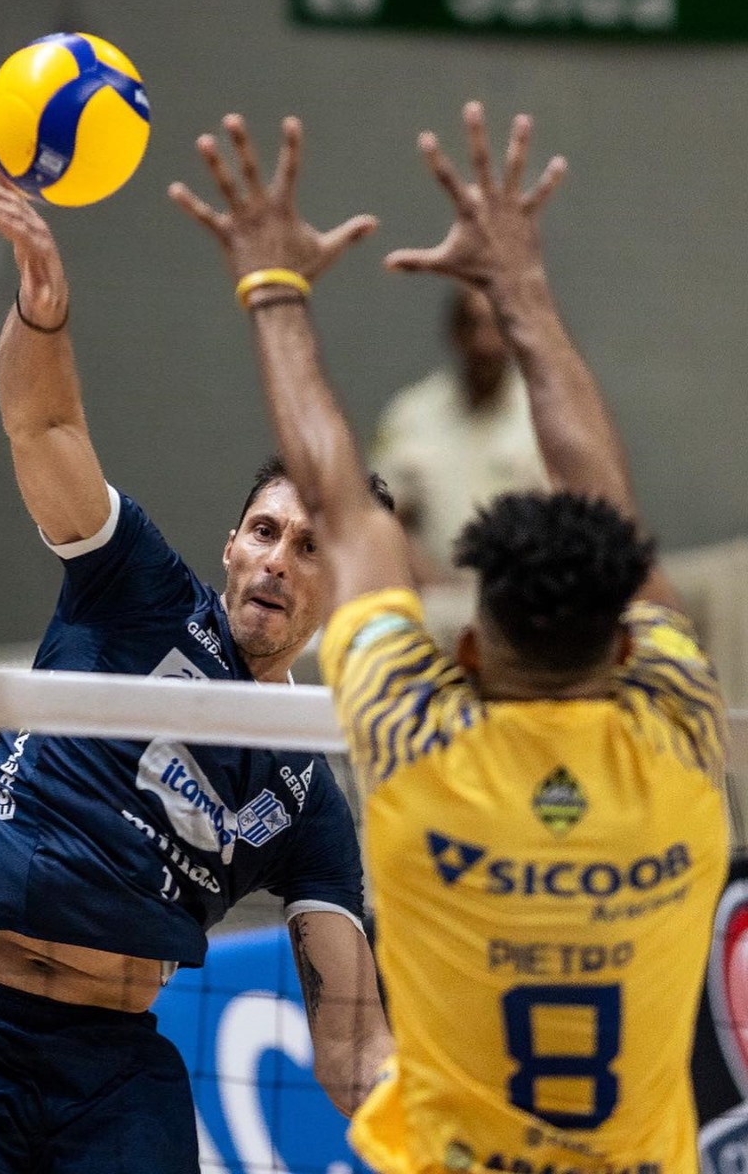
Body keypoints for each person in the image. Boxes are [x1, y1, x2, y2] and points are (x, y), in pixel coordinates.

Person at [172, 105, 728, 1173]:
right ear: (626, 648)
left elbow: (341, 502)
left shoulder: (411, 740)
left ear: (467, 650)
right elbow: (607, 504)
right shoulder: (679, 728)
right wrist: (520, 290)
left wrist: (271, 286)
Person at [0, 167, 393, 1174]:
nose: (277, 559)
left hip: (108, 1070)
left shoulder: (304, 792)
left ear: (339, 591)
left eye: (310, 546)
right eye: (263, 530)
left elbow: (351, 1043)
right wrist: (41, 312)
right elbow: (42, 428)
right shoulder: (139, 589)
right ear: (229, 544)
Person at [369, 285, 546, 586]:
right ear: (454, 332)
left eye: (495, 326)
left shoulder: (543, 418)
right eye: (472, 324)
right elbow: (380, 514)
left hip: (524, 604)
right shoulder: (411, 415)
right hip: (430, 600)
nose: (483, 342)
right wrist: (425, 579)